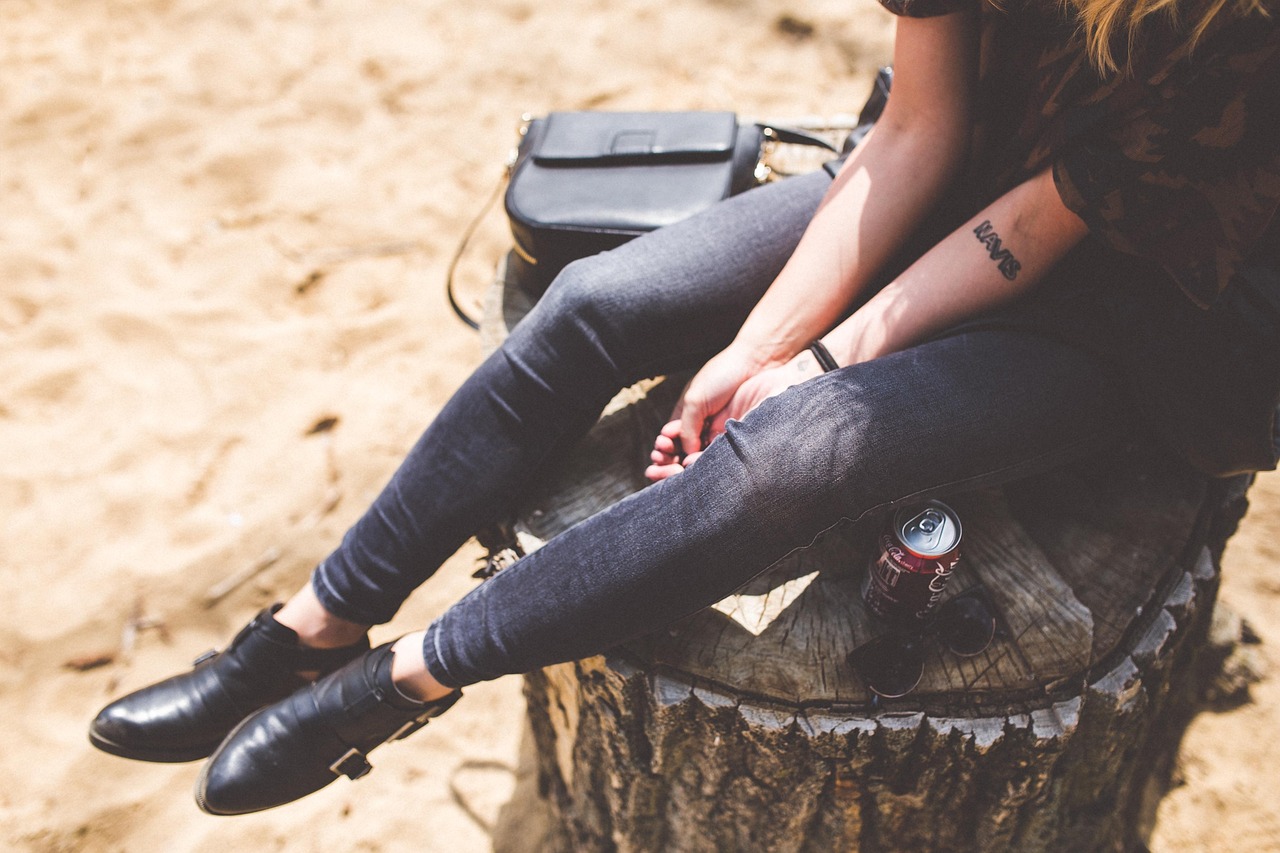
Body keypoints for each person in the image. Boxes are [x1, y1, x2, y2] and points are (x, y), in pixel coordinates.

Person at [90, 0, 1278, 816]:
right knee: (593, 303)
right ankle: (309, 633)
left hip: (1131, 295)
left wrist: (814, 363)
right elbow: (921, 127)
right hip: (964, 169)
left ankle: (397, 684)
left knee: (800, 446)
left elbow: (1032, 232)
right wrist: (760, 342)